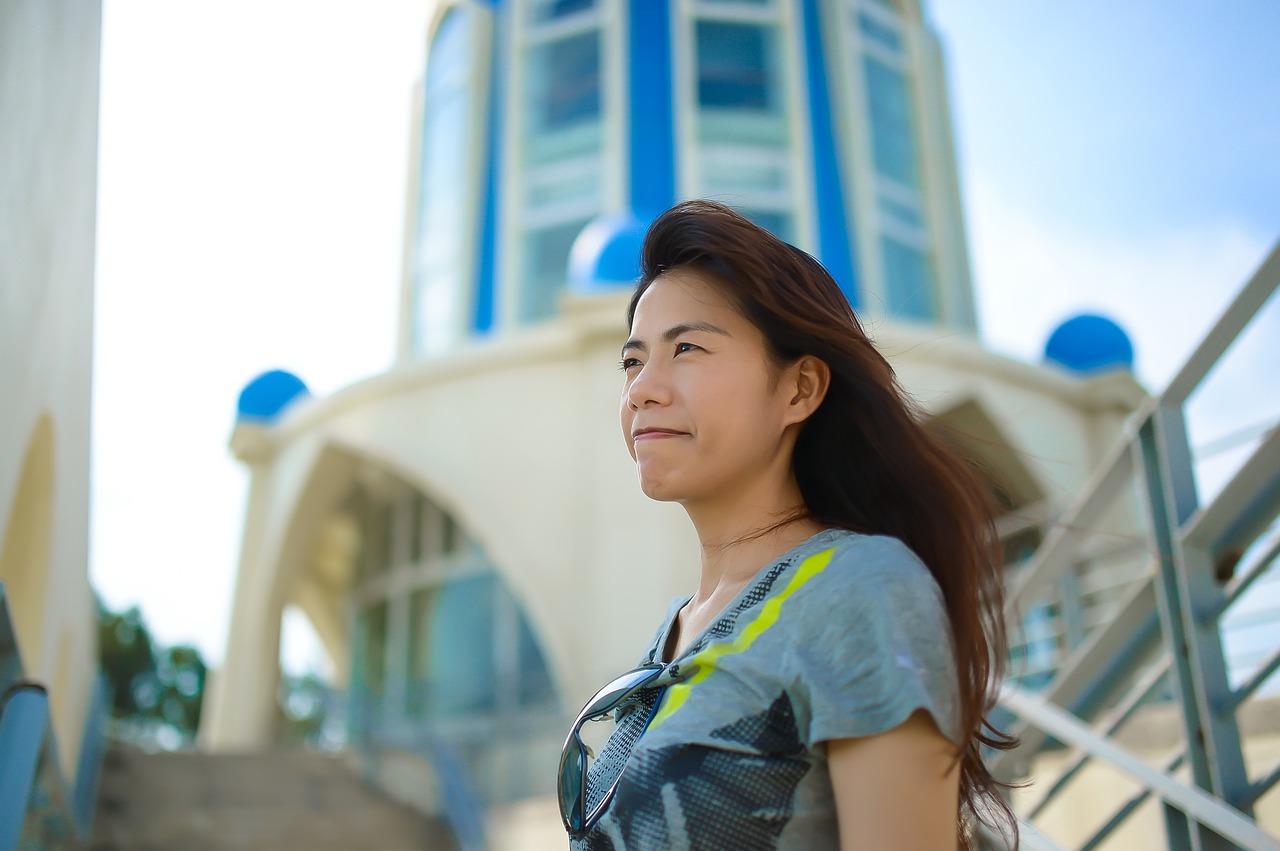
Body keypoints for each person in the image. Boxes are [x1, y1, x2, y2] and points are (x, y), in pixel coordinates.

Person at [557, 200, 1017, 850]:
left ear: (799, 388)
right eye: (632, 361)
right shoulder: (676, 629)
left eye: (686, 347)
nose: (642, 390)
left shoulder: (859, 588)